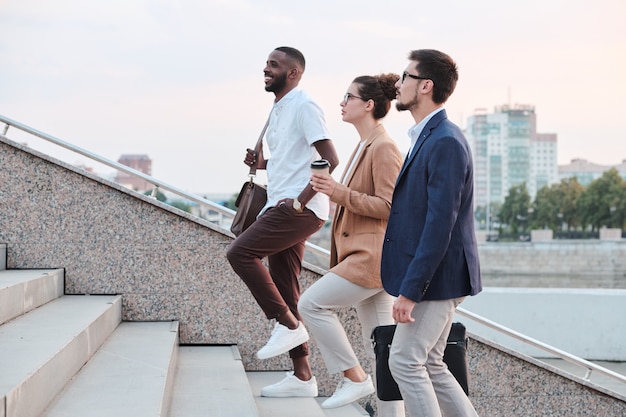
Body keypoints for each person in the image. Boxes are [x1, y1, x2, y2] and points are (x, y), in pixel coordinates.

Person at [226, 46, 339, 398]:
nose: (266, 69)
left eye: (273, 65)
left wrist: (300, 200)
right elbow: (291, 160)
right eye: (266, 63)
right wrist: (262, 165)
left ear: (293, 73)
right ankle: (303, 376)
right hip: (283, 203)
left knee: (240, 254)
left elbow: (330, 158)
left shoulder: (305, 104)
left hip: (298, 208)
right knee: (286, 286)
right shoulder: (278, 108)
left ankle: (288, 324)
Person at [380, 49, 482, 416]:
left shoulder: (445, 142)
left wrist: (411, 290)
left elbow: (440, 224)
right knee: (432, 365)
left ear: (425, 86)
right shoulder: (428, 136)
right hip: (437, 277)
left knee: (405, 361)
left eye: (405, 77)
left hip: (437, 279)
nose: (397, 83)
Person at [300, 74, 405, 415]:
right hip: (367, 259)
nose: (342, 103)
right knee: (382, 350)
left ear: (368, 105)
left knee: (311, 305)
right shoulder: (365, 145)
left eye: (349, 97)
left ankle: (354, 378)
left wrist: (337, 192)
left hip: (369, 259)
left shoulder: (384, 148)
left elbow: (390, 207)